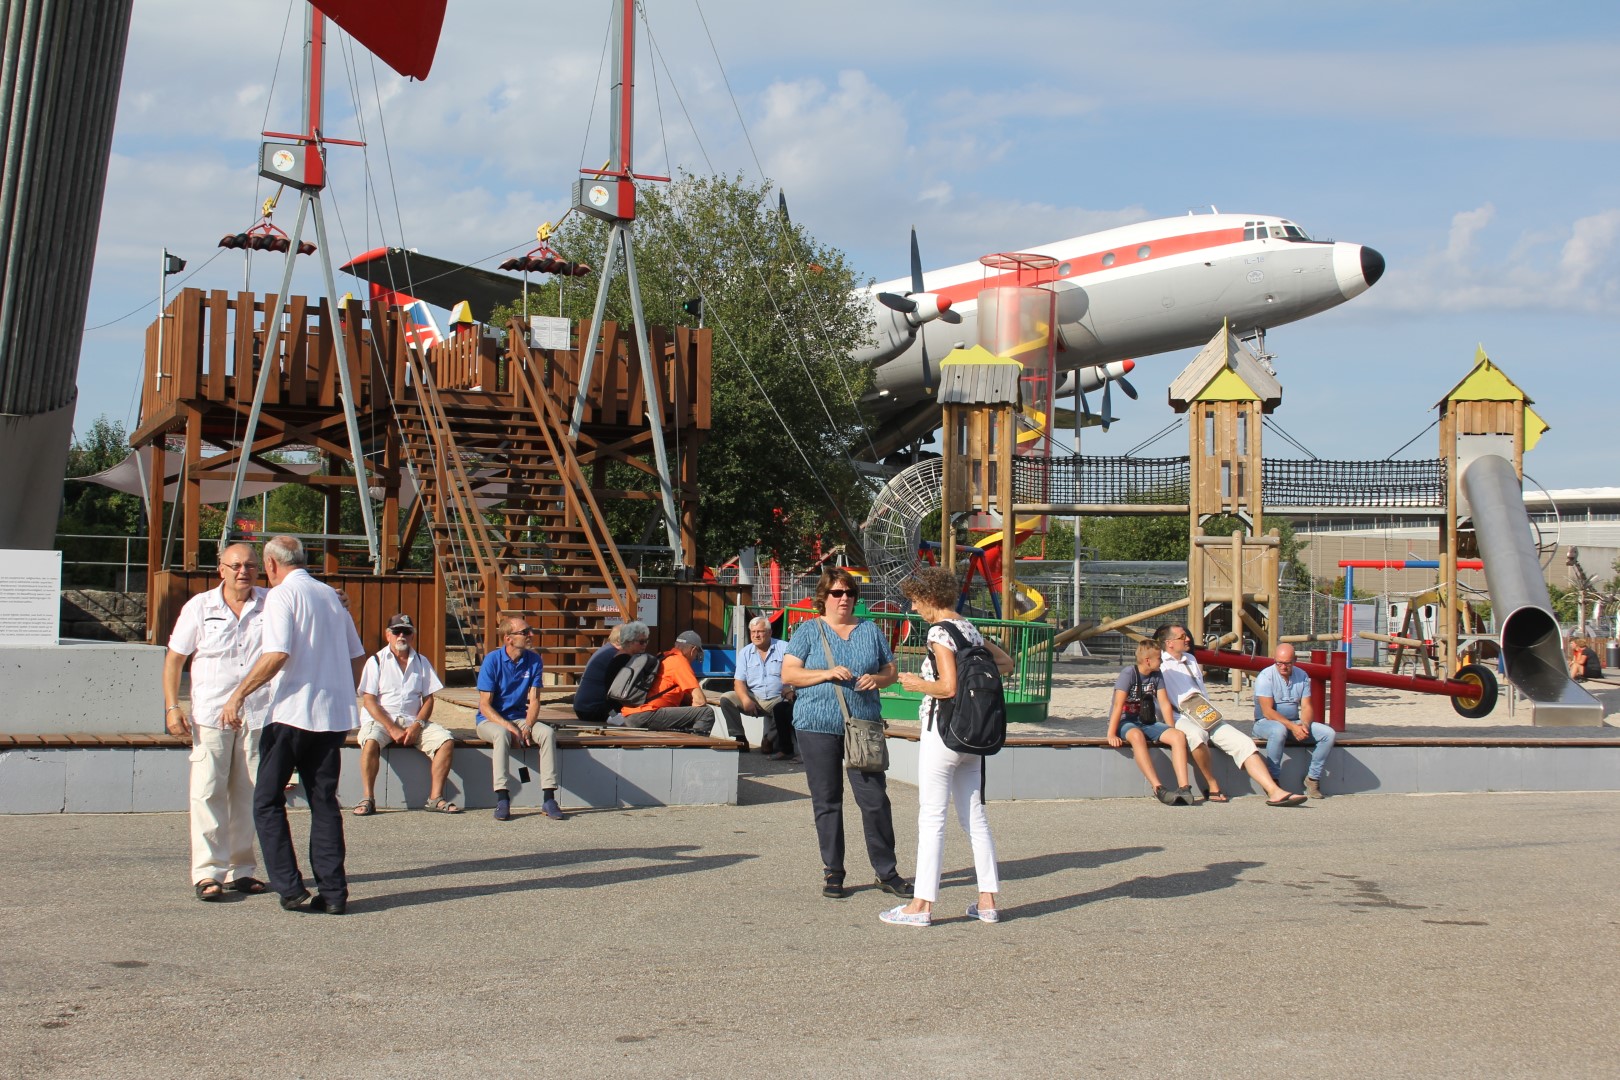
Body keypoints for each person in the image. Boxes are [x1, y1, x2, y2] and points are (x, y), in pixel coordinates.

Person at [221, 535, 366, 915]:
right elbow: (357, 656)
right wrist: (341, 693)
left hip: (291, 712)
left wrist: (238, 694)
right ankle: (334, 893)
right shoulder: (332, 598)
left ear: (270, 564)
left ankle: (289, 887)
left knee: (266, 800)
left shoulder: (284, 595)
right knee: (324, 803)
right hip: (332, 715)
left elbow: (277, 653)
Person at [883, 566, 1015, 927]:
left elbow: (948, 687)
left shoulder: (940, 631)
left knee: (932, 816)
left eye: (914, 600)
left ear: (928, 597)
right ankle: (987, 900)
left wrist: (915, 683)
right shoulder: (968, 628)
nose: (913, 607)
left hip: (942, 730)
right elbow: (1006, 662)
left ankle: (921, 905)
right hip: (972, 733)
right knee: (974, 815)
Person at [782, 569, 911, 900]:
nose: (844, 599)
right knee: (827, 800)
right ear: (823, 597)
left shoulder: (869, 630)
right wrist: (825, 673)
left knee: (875, 800)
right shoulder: (809, 631)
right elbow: (790, 673)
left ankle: (887, 872)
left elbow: (890, 669)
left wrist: (878, 680)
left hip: (863, 725)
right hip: (816, 726)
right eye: (837, 593)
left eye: (849, 593)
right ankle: (833, 871)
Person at [162, 542, 272, 902]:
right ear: (221, 569)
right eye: (236, 565)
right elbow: (175, 659)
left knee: (249, 795)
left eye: (251, 566)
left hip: (257, 713)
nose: (244, 572)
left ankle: (242, 869)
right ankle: (208, 873)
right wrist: (171, 707)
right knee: (208, 791)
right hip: (210, 714)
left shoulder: (272, 604)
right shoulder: (200, 606)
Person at [1153, 624, 1306, 807]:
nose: (1188, 639)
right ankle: (1211, 783)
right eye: (1182, 636)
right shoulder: (1160, 663)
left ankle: (1274, 791)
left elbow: (1200, 690)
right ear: (1169, 643)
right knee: (1196, 736)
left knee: (1244, 743)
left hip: (1204, 713)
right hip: (1179, 716)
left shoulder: (1191, 659)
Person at [355, 613, 459, 815]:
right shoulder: (375, 661)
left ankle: (435, 798)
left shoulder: (422, 661)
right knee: (370, 743)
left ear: (413, 636)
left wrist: (417, 725)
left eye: (407, 631)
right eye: (397, 631)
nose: (401, 635)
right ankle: (368, 798)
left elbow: (429, 699)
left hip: (413, 721)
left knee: (446, 741)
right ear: (388, 635)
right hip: (381, 721)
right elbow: (369, 700)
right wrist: (392, 728)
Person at [476, 615, 562, 822]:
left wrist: (529, 726)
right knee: (501, 735)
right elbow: (484, 705)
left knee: (548, 733)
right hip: (490, 720)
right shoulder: (492, 661)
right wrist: (510, 727)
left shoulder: (533, 660)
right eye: (525, 632)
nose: (531, 635)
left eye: (530, 630)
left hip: (519, 717)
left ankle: (549, 798)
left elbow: (534, 700)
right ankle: (502, 797)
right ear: (508, 638)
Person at [619, 630, 748, 745]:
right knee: (706, 713)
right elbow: (700, 701)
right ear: (693, 650)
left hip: (632, 714)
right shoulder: (680, 662)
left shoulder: (664, 656)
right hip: (646, 714)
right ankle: (693, 751)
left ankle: (682, 744)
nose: (695, 658)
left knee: (689, 710)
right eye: (697, 654)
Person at [1105, 639, 1194, 806]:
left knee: (1178, 737)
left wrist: (1169, 729)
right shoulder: (1129, 674)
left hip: (1146, 720)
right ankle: (1158, 787)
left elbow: (1165, 703)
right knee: (1137, 737)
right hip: (1126, 721)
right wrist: (1111, 733)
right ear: (1148, 660)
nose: (1161, 661)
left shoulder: (1157, 675)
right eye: (1159, 658)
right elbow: (1118, 705)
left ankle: (1184, 787)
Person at [1252, 643, 1337, 801]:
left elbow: (1306, 706)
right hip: (1265, 723)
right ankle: (1273, 779)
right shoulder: (1265, 676)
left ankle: (1313, 779)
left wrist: (1303, 725)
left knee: (1328, 734)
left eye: (1287, 663)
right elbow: (1267, 711)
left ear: (1295, 660)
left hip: (1293, 722)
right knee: (1278, 730)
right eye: (1279, 663)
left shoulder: (1302, 675)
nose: (1283, 667)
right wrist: (1292, 727)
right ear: (1274, 660)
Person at [722, 616, 796, 760]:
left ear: (769, 632)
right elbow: (738, 682)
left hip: (778, 697)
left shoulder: (784, 648)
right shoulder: (745, 652)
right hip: (754, 698)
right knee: (726, 699)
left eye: (760, 631)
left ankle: (768, 738)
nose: (756, 635)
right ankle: (740, 738)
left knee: (786, 706)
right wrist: (745, 699)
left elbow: (795, 672)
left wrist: (790, 689)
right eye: (753, 632)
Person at [574, 620, 650, 725]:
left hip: (585, 706)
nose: (645, 645)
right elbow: (615, 695)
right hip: (595, 709)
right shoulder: (621, 659)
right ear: (628, 641)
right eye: (641, 642)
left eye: (646, 641)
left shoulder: (611, 652)